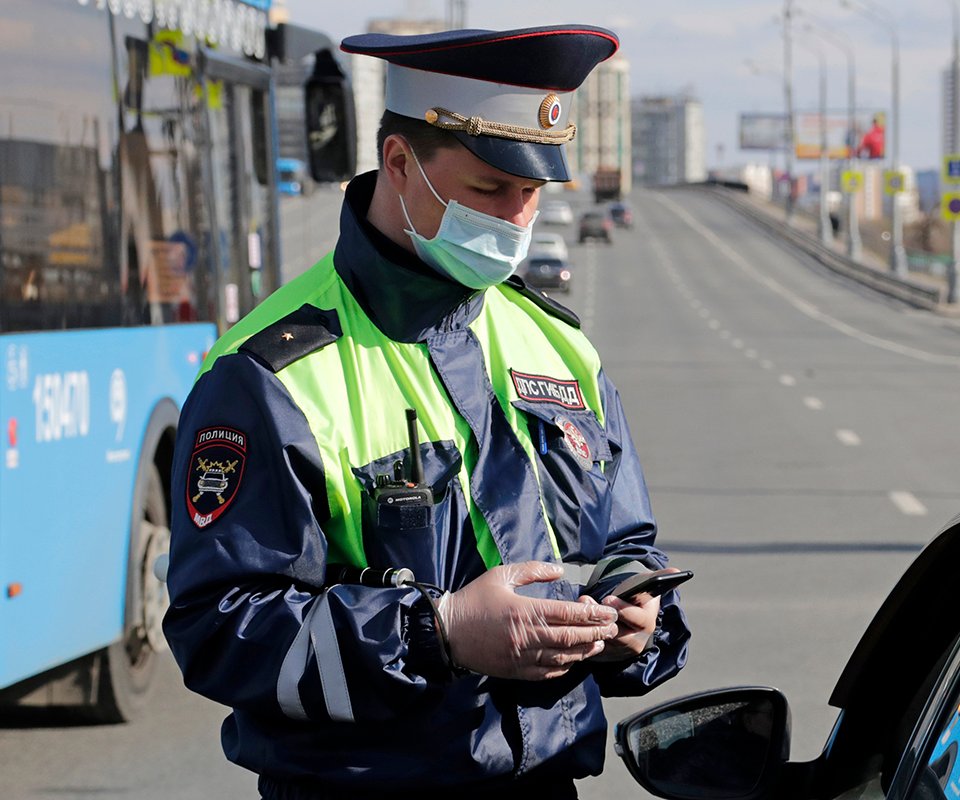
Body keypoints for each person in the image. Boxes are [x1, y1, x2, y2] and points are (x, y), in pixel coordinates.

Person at [162, 24, 691, 800]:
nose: (516, 219)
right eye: (489, 190)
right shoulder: (268, 377)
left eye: (533, 193)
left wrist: (637, 624)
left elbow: (627, 545)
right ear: (402, 164)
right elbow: (219, 629)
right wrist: (437, 632)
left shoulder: (557, 346)